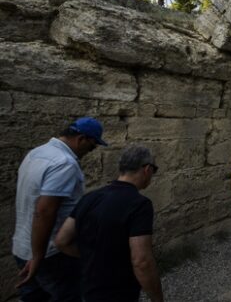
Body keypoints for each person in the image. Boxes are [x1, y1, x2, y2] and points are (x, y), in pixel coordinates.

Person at [12, 117, 107, 301]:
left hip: (22, 248)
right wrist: (38, 255)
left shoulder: (36, 153)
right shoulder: (65, 163)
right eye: (92, 146)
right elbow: (45, 211)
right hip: (51, 254)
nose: (90, 151)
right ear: (81, 139)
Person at [54, 145, 164, 302]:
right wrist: (157, 299)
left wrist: (92, 256)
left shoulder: (89, 198)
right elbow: (141, 261)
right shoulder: (139, 204)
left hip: (88, 286)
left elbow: (61, 241)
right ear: (147, 169)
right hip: (117, 291)